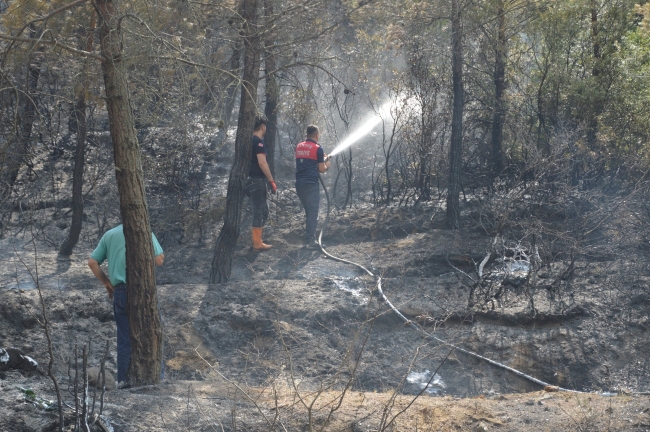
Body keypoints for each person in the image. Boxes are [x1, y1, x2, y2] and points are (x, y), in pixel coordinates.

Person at [87, 224, 164, 384]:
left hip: (120, 291)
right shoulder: (143, 230)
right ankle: (156, 379)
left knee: (125, 338)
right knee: (153, 334)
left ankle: (124, 381)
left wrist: (107, 283)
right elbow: (159, 260)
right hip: (143, 291)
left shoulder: (109, 235)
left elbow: (92, 262)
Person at [295, 125, 330, 249]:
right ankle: (310, 241)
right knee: (313, 212)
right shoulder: (318, 149)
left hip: (299, 184)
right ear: (317, 135)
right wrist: (327, 163)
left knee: (309, 211)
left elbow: (307, 161)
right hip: (311, 184)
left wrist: (320, 158)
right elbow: (321, 169)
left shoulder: (299, 146)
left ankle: (309, 238)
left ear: (306, 135)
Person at [246, 117, 277, 251]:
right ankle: (257, 243)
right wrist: (271, 180)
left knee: (263, 211)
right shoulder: (258, 142)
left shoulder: (247, 141)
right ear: (263, 127)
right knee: (259, 212)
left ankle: (257, 240)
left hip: (247, 180)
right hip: (256, 180)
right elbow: (262, 163)